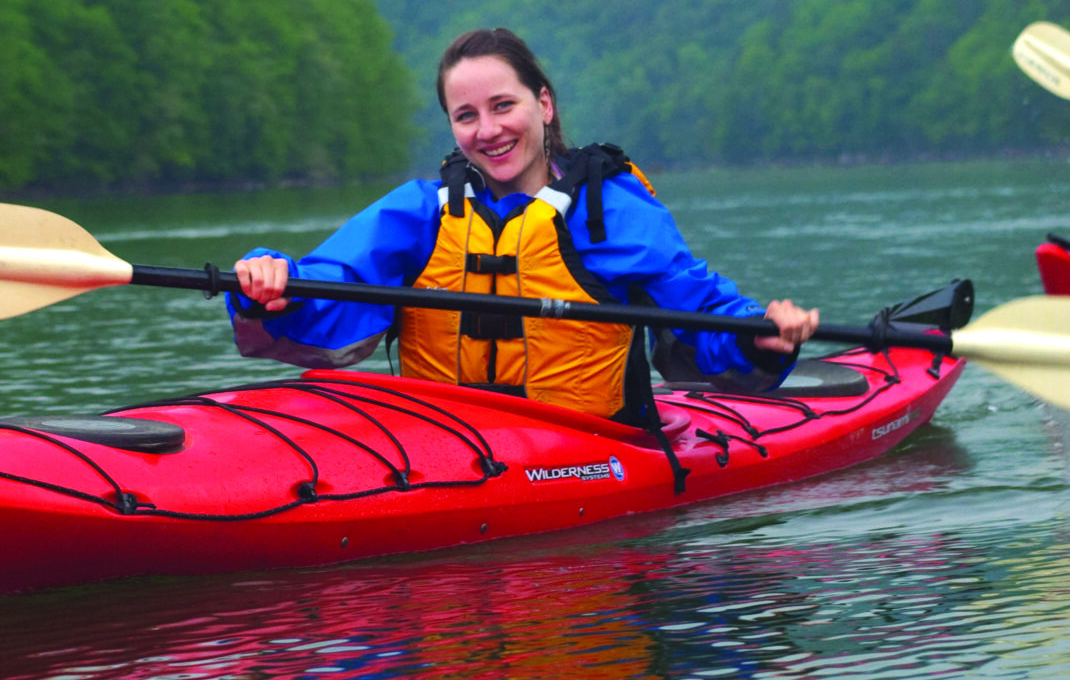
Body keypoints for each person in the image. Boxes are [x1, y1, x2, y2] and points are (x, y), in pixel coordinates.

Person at [227, 27, 820, 430]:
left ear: (544, 104)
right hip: (443, 442)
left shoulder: (610, 211)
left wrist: (757, 336)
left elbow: (699, 318)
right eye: (466, 115)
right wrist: (269, 284)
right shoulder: (421, 214)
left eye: (502, 105)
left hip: (592, 453)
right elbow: (329, 294)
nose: (487, 130)